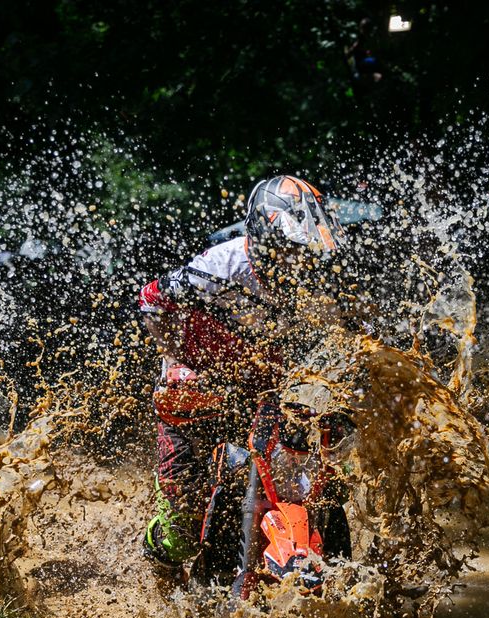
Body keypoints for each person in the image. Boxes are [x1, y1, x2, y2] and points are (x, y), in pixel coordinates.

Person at [137, 175, 345, 573]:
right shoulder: (220, 266)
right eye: (288, 252)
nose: (296, 264)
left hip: (265, 392)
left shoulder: (316, 283)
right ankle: (157, 551)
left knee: (317, 478)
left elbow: (348, 339)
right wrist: (175, 360)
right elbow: (151, 300)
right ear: (263, 238)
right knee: (180, 534)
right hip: (195, 393)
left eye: (305, 253)